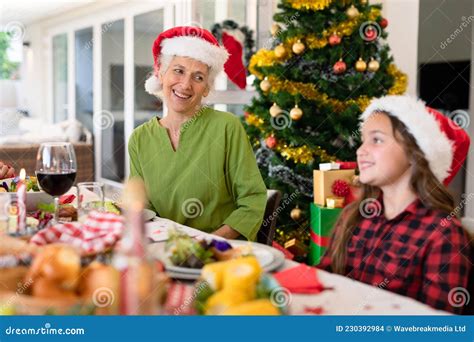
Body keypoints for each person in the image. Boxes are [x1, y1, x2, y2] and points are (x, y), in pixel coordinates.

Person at [318, 95, 472, 314]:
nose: (360, 151)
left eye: (377, 140)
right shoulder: (354, 216)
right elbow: (323, 279)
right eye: (363, 140)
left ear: (414, 154)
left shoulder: (443, 236)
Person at [128, 26, 267, 241]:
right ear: (161, 75)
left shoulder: (226, 127)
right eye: (178, 70)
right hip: (165, 251)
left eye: (198, 77)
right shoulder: (139, 138)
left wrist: (206, 243)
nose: (185, 85)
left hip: (220, 251)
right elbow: (142, 208)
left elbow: (252, 200)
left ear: (206, 88)